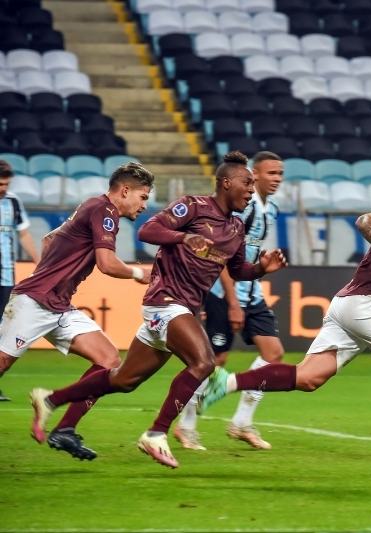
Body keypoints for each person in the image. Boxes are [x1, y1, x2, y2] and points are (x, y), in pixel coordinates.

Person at [198, 180, 371, 475]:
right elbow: (365, 221)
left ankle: (227, 382)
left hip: (352, 306)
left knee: (308, 378)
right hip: (366, 303)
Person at [29, 151, 288, 468]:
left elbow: (237, 270)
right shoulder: (193, 206)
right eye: (246, 183)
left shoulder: (235, 227)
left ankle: (51, 398)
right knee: (204, 362)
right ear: (225, 182)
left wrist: (261, 267)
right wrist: (184, 238)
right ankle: (156, 433)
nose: (251, 190)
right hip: (165, 301)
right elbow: (148, 230)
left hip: (183, 308)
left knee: (125, 379)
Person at [0, 162, 154, 458]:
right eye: (143, 197)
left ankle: (65, 430)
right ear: (125, 190)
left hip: (59, 305)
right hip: (34, 301)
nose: (144, 205)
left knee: (109, 361)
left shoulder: (91, 204)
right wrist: (141, 274)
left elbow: (49, 240)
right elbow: (107, 264)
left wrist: (56, 271)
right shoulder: (105, 211)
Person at [174, 151, 284, 451]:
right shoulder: (241, 211)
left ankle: (241, 422)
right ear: (255, 175)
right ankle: (186, 426)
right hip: (224, 292)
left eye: (280, 174)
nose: (277, 179)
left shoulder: (271, 208)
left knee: (273, 353)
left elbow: (248, 252)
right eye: (271, 173)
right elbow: (222, 255)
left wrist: (262, 263)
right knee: (211, 362)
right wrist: (233, 302)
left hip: (253, 291)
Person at [0, 159, 41, 401]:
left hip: (6, 275)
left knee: (3, 330)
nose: (3, 188)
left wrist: (39, 262)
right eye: (0, 183)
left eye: (6, 183)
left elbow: (23, 233)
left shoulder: (13, 202)